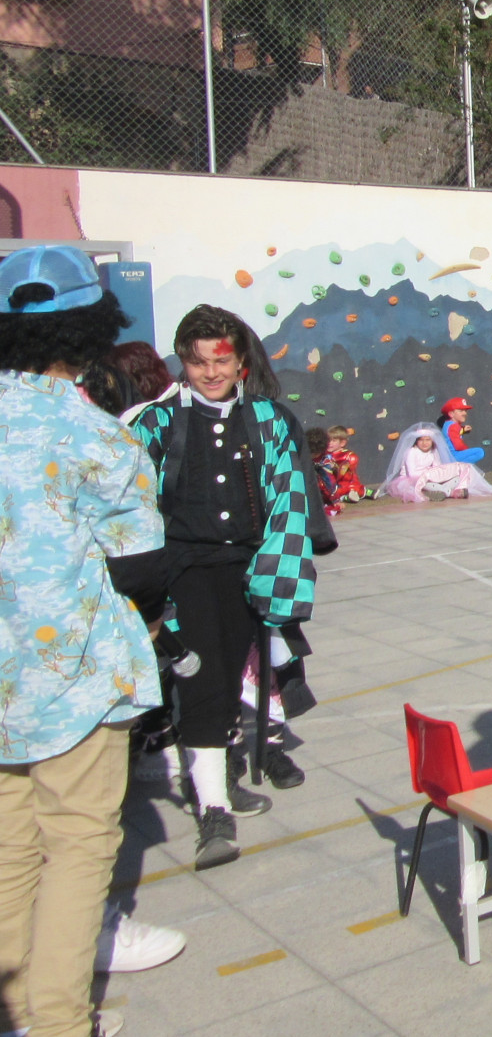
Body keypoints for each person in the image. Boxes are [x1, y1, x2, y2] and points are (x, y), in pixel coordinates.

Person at [0, 245, 179, 1037]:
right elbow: (140, 565)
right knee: (77, 846)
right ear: (91, 327)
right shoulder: (92, 433)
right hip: (70, 675)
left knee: (9, 852)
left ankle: (15, 1020)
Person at [130, 305, 320, 866]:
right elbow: (133, 506)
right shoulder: (156, 424)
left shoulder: (270, 420)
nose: (210, 372)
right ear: (182, 362)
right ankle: (213, 808)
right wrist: (146, 585)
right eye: (197, 362)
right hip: (183, 570)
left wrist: (276, 576)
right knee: (203, 679)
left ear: (240, 363)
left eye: (221, 360)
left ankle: (221, 774)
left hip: (248, 566)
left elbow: (289, 502)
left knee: (238, 672)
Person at [382, 426, 492, 502]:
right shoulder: (411, 452)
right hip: (414, 480)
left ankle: (443, 490)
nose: (424, 443)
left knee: (456, 478)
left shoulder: (433, 451)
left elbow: (437, 467)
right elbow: (412, 473)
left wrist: (439, 476)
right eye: (421, 440)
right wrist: (429, 475)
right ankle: (451, 492)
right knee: (427, 485)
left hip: (430, 477)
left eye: (428, 440)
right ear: (416, 441)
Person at [322, 425, 366, 503]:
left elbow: (344, 475)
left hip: (346, 483)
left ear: (342, 443)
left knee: (349, 488)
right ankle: (347, 496)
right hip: (330, 482)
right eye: (328, 440)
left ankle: (350, 495)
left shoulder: (349, 456)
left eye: (333, 441)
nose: (329, 443)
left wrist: (334, 468)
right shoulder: (324, 454)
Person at [441, 397, 486, 465]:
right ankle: (458, 467)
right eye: (461, 410)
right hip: (453, 456)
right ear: (451, 414)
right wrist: (467, 451)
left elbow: (452, 434)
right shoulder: (454, 426)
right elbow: (458, 445)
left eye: (465, 411)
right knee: (479, 452)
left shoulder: (447, 424)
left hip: (448, 455)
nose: (465, 413)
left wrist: (463, 430)